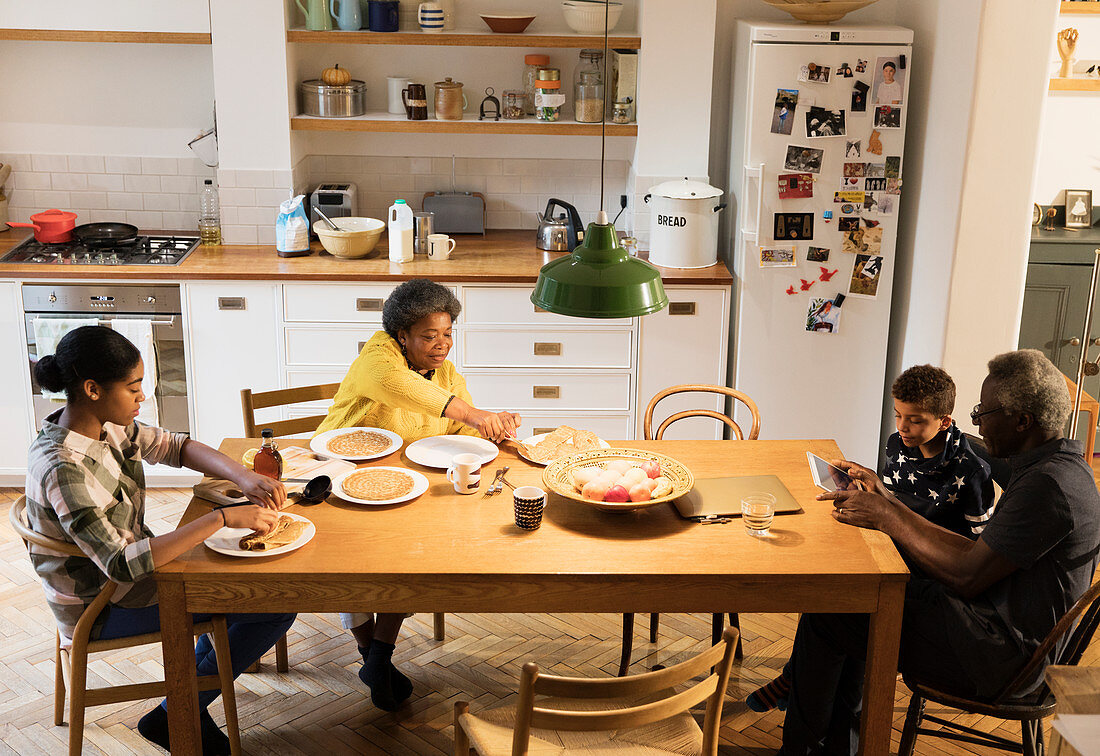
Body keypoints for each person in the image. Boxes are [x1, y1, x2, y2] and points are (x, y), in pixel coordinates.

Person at [777, 350, 1100, 755]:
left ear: (1022, 420)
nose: (977, 421)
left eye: (984, 411)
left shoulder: (1048, 488)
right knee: (855, 601)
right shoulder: (1056, 466)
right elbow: (978, 557)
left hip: (1003, 657)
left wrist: (887, 516)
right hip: (996, 623)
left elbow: (967, 575)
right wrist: (887, 500)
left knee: (834, 609)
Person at [23, 326, 295, 755]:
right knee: (272, 603)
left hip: (131, 576)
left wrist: (244, 476)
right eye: (133, 388)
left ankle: (186, 701)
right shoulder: (65, 467)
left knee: (241, 587)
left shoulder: (101, 427)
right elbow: (124, 564)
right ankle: (176, 714)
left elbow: (175, 446)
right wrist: (223, 517)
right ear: (93, 389)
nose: (141, 397)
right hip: (103, 604)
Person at [315, 279, 522, 711]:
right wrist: (471, 412)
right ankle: (369, 655)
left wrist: (491, 426)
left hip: (408, 481)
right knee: (349, 564)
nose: (441, 344)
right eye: (429, 336)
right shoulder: (378, 358)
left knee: (417, 558)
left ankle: (377, 660)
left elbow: (460, 422)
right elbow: (405, 389)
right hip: (342, 472)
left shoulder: (443, 371)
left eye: (447, 333)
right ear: (401, 336)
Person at [747, 364, 994, 713]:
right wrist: (875, 487)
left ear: (945, 422)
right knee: (830, 572)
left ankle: (801, 682)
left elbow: (978, 547)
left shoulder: (970, 471)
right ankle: (809, 686)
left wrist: (888, 509)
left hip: (935, 574)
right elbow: (898, 503)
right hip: (893, 547)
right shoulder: (897, 446)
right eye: (898, 415)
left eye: (916, 420)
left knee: (841, 594)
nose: (903, 428)